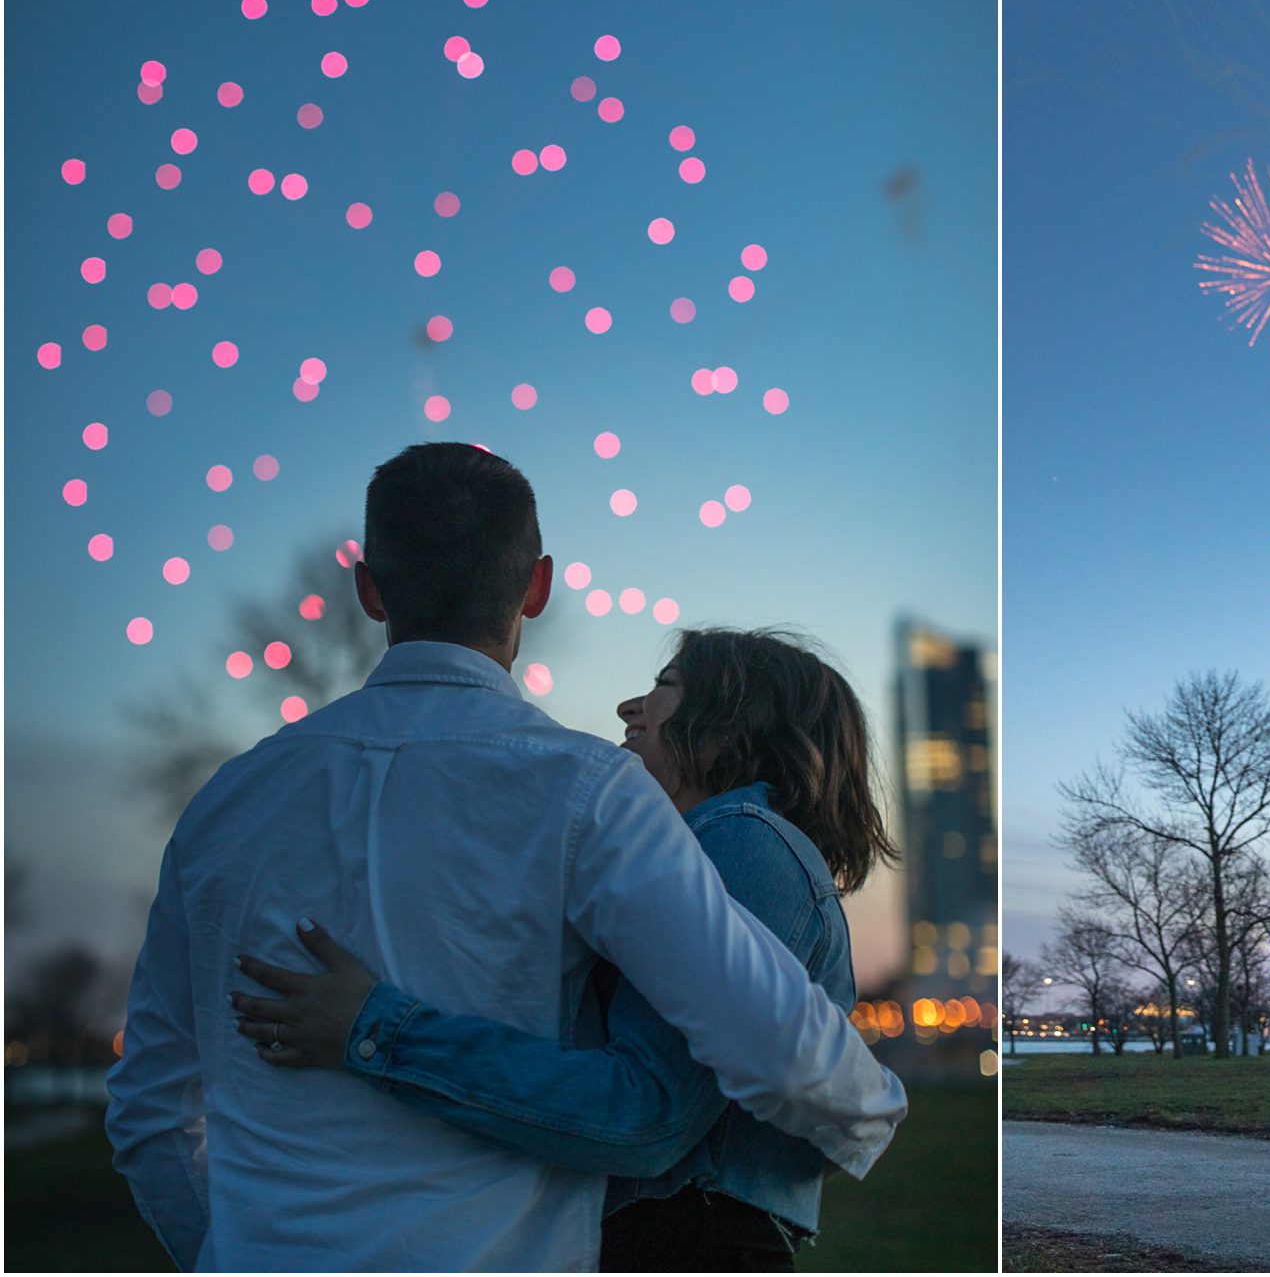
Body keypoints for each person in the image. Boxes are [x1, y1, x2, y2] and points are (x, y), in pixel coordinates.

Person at [106, 444, 906, 1270]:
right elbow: (764, 1038)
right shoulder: (586, 792)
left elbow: (149, 1109)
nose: (636, 704)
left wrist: (228, 1249)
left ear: (369, 590)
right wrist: (872, 1107)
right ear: (537, 587)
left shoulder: (225, 803)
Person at [231, 627, 894, 1272]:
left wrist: (375, 1029)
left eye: (666, 687)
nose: (630, 707)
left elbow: (644, 1112)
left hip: (684, 1242)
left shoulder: (743, 842)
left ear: (735, 725)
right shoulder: (716, 847)